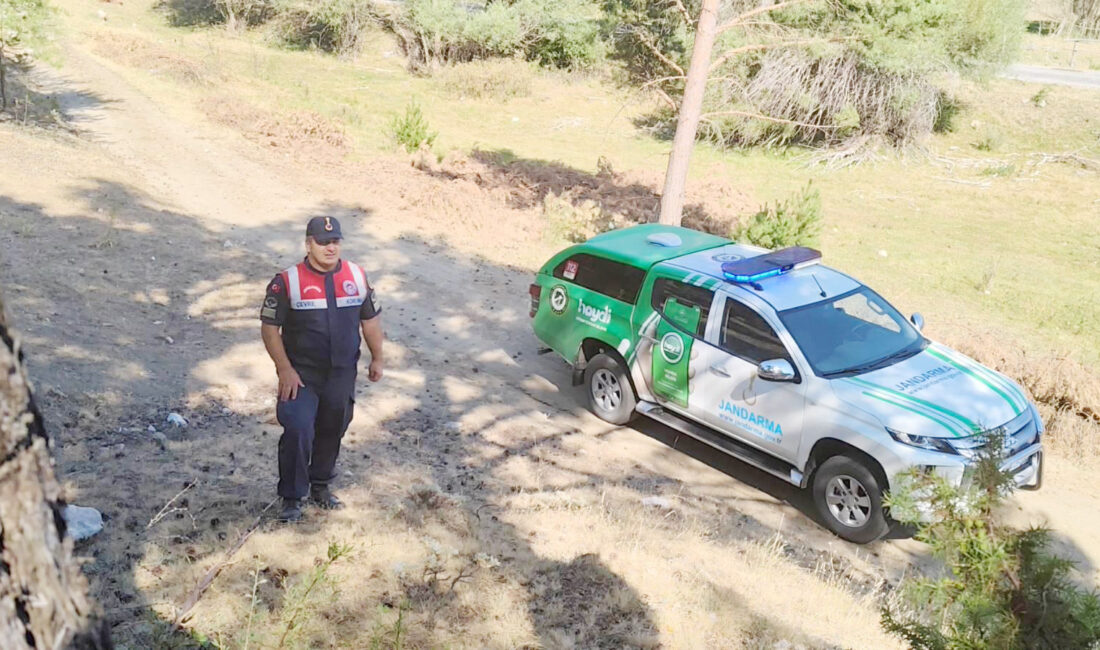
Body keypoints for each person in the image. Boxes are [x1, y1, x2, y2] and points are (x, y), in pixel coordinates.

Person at [260, 216, 384, 522]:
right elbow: (269, 328)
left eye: (335, 242)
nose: (330, 248)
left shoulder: (356, 275)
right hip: (301, 375)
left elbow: (370, 322)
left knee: (334, 426)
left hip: (341, 373)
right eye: (323, 242)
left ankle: (320, 486)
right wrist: (284, 369)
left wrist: (377, 358)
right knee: (299, 428)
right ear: (308, 244)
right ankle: (291, 498)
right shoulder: (286, 281)